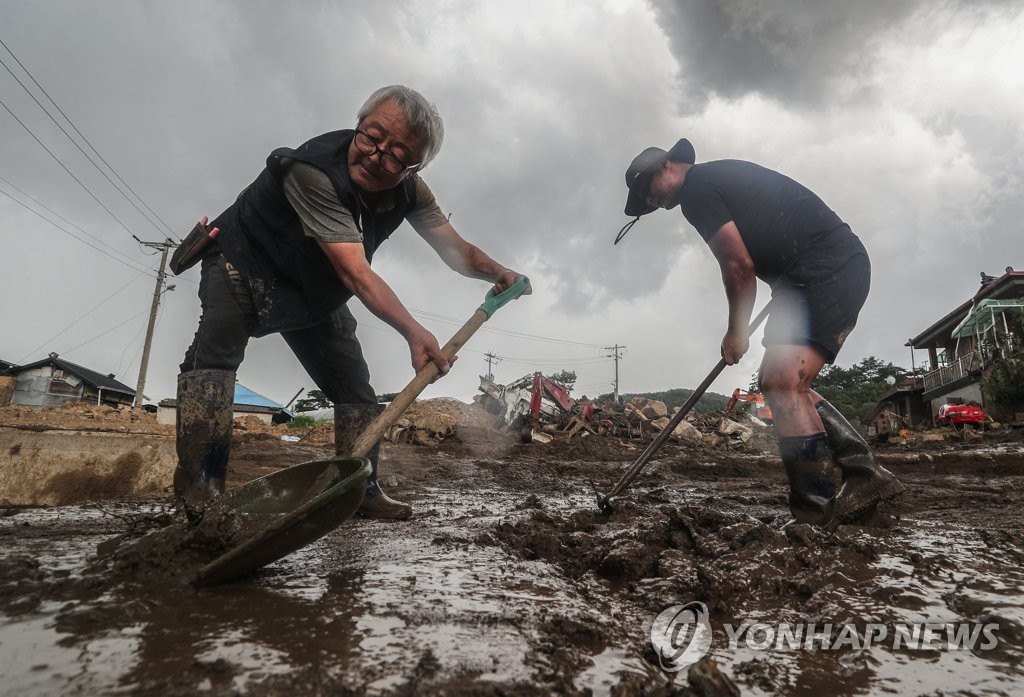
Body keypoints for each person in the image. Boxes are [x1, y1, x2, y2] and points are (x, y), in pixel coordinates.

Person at [173, 85, 529, 521]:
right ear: (359, 124)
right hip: (244, 262)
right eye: (372, 137)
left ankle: (360, 490)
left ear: (413, 166)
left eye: (398, 155)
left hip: (314, 285)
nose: (378, 157)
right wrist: (414, 332)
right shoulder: (311, 171)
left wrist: (498, 273)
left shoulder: (411, 192)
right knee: (214, 361)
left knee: (353, 384)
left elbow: (457, 251)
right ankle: (201, 497)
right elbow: (356, 273)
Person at [619, 139, 903, 526]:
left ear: (666, 167)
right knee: (782, 381)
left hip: (824, 269)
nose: (651, 202)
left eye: (647, 192)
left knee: (782, 383)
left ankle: (815, 514)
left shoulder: (697, 190)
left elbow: (738, 267)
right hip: (808, 274)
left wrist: (736, 330)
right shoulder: (714, 179)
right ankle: (865, 473)